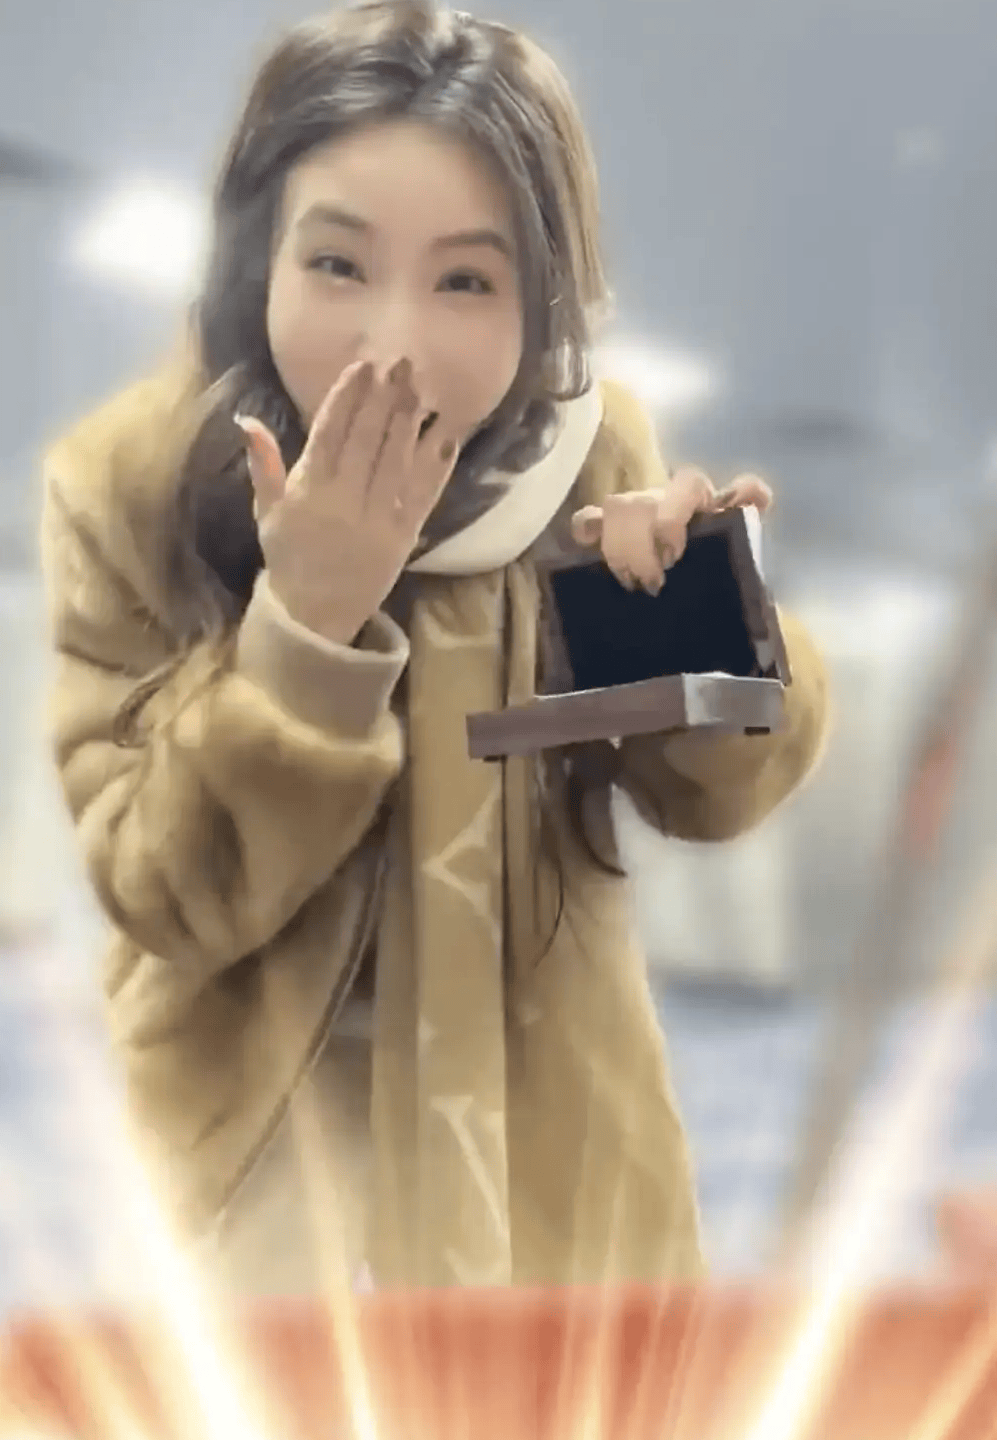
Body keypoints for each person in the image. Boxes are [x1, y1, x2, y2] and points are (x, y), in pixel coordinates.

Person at [40, 0, 828, 1296]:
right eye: (336, 264)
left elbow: (719, 797)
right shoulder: (129, 485)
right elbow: (164, 891)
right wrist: (305, 627)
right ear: (256, 262)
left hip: (539, 1181)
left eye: (466, 281)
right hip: (253, 1200)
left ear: (541, 299)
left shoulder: (587, 459)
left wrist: (681, 603)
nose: (392, 346)